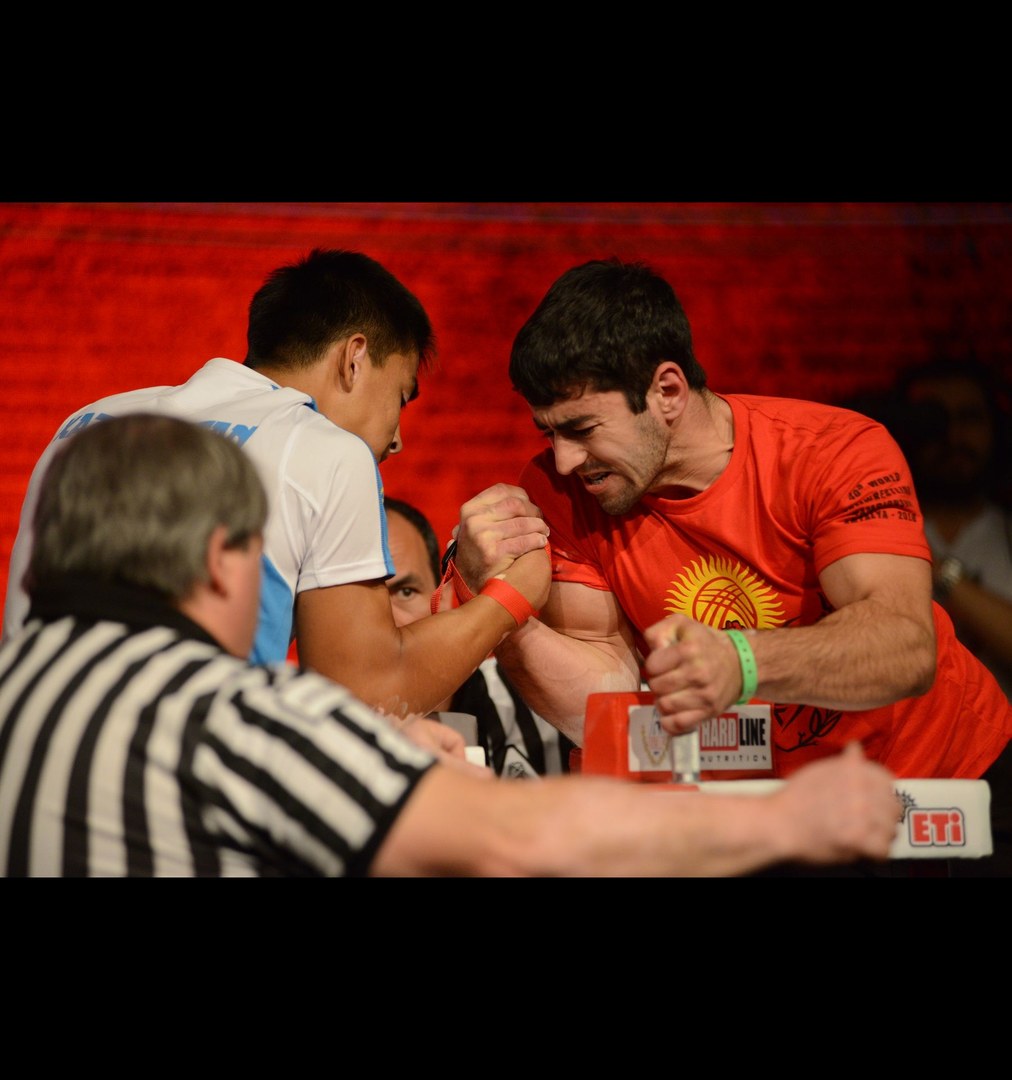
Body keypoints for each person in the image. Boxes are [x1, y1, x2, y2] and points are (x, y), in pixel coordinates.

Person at [0, 413, 905, 877]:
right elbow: (514, 839)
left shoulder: (24, 681)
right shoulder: (225, 717)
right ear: (220, 560)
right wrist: (786, 819)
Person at [446, 258, 1011, 851]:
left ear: (666, 391)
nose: (563, 459)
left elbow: (904, 646)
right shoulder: (561, 489)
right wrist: (496, 611)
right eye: (548, 432)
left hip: (931, 784)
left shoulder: (836, 450)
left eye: (582, 428)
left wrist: (740, 660)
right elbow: (607, 702)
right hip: (748, 812)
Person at [1, 248, 550, 752]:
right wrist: (509, 597)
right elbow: (366, 698)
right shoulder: (327, 449)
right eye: (401, 396)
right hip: (168, 799)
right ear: (353, 359)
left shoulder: (87, 421)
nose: (397, 437)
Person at [384, 495, 575, 776]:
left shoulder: (534, 697)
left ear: (444, 596)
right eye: (357, 602)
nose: (386, 619)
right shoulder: (300, 725)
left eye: (406, 591)